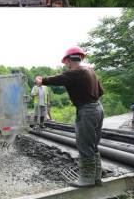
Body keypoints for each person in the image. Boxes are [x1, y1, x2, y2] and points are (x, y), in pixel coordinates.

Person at [36, 47, 104, 188]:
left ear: (67, 60)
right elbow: (101, 91)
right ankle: (96, 177)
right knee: (93, 145)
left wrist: (41, 80)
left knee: (84, 145)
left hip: (87, 111)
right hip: (97, 108)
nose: (65, 65)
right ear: (80, 58)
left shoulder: (76, 72)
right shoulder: (90, 70)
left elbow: (57, 79)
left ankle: (87, 179)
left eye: (65, 62)